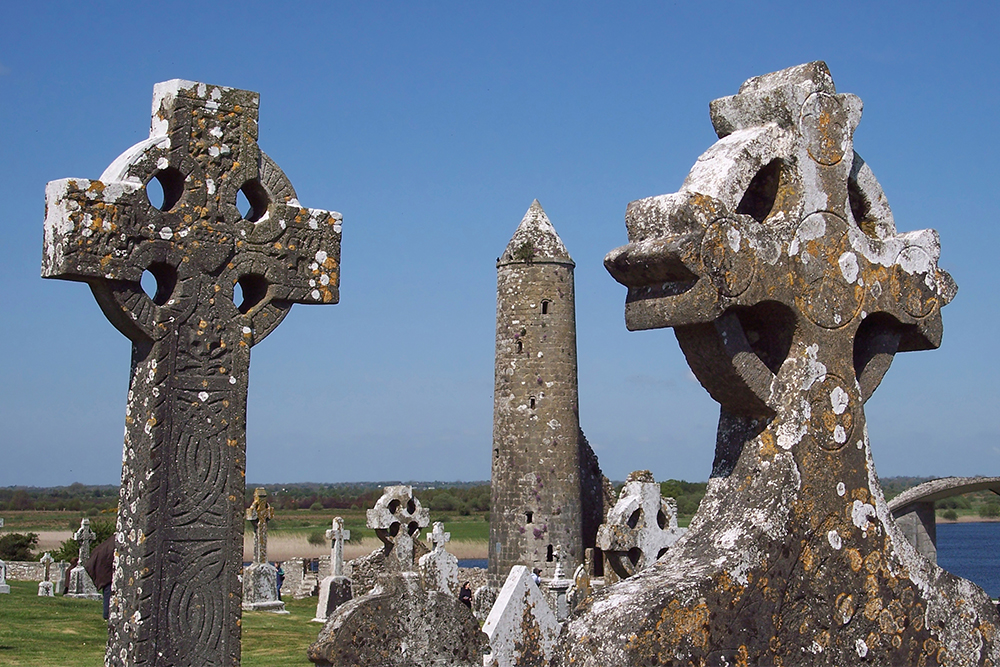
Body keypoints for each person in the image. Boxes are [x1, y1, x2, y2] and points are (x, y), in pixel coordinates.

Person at [86, 537, 114, 620]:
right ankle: (107, 614)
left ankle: (108, 614)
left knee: (108, 592)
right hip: (107, 575)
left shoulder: (108, 544)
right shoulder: (113, 543)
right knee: (108, 592)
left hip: (105, 573)